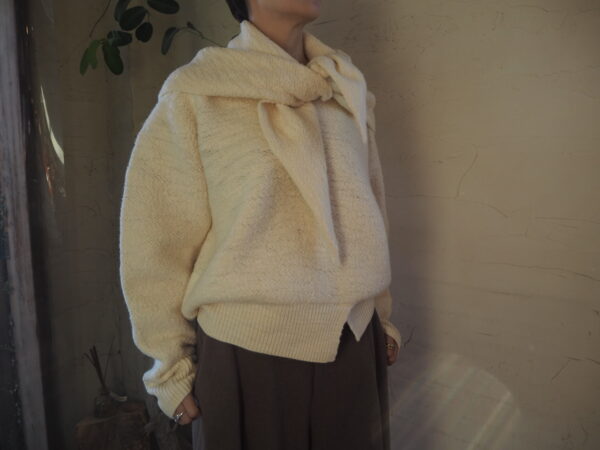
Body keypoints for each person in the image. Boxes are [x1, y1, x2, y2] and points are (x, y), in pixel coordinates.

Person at [118, 0, 402, 448]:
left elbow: (370, 212)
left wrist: (380, 316)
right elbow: (156, 239)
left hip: (354, 342)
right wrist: (170, 367)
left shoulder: (343, 89)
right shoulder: (197, 94)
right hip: (247, 354)